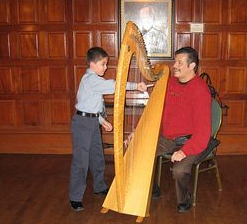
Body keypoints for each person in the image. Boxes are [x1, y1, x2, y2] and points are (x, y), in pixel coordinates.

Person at [69, 46, 147, 212]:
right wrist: (135, 85)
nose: (105, 67)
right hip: (82, 124)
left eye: (106, 64)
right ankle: (75, 197)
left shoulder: (94, 81)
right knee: (81, 161)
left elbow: (89, 105)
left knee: (97, 156)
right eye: (103, 64)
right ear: (92, 64)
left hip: (91, 121)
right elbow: (114, 86)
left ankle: (99, 186)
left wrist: (102, 120)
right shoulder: (91, 79)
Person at [153, 47, 212, 212]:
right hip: (168, 138)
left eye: (180, 62)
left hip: (190, 140)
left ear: (192, 65)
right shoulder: (170, 83)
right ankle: (152, 189)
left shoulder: (200, 91)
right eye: (175, 61)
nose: (174, 66)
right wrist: (137, 132)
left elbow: (202, 132)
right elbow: (154, 110)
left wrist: (184, 152)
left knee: (179, 170)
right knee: (142, 151)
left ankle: (184, 200)